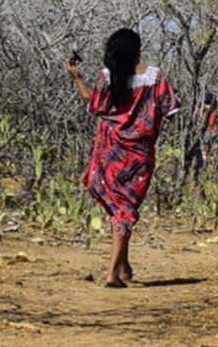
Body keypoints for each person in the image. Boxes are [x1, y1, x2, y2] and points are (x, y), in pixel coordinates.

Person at [67, 28, 180, 288]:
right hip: (139, 153)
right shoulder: (155, 76)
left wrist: (77, 78)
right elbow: (171, 109)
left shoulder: (108, 77)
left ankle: (124, 267)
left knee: (119, 208)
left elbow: (94, 104)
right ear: (138, 49)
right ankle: (112, 274)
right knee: (126, 209)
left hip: (109, 151)